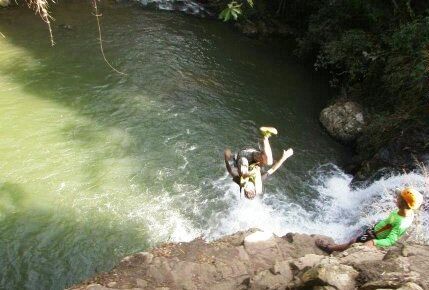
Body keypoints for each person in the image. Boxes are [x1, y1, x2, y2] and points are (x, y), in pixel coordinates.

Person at [315, 187, 424, 253]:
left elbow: (391, 240)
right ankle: (334, 249)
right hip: (375, 232)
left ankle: (330, 248)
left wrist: (373, 242)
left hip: (375, 237)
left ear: (402, 203)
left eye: (398, 198)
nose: (396, 198)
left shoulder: (401, 222)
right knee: (354, 241)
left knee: (353, 243)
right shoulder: (407, 212)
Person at [224, 127, 294, 199]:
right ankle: (266, 135)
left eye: (245, 187)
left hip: (243, 155)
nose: (246, 185)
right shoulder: (259, 180)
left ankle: (246, 170)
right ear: (254, 187)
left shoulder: (240, 181)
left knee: (243, 171)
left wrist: (227, 157)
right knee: (269, 161)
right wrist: (284, 157)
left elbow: (230, 170)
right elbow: (273, 169)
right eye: (249, 186)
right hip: (253, 155)